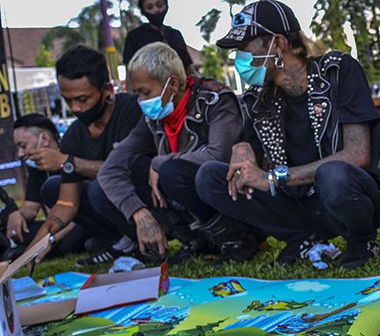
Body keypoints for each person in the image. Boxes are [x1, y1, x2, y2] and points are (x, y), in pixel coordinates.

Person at [196, 0, 380, 269]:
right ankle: (302, 237)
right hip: (298, 204)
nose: (239, 59)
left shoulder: (338, 70)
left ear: (278, 44)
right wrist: (241, 149)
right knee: (209, 176)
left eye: (244, 48)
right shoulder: (257, 98)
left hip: (346, 194)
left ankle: (361, 239)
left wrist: (274, 178)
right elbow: (248, 148)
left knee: (333, 173)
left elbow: (357, 154)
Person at [95, 42, 250, 266]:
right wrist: (139, 214)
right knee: (135, 167)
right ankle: (194, 240)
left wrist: (159, 162)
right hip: (189, 196)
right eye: (137, 93)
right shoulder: (154, 118)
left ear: (173, 83)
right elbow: (109, 170)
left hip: (233, 193)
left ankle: (237, 238)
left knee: (171, 171)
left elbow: (218, 157)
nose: (141, 101)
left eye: (145, 92)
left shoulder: (215, 100)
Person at [24, 45, 143, 266]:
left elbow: (131, 169)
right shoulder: (73, 136)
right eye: (68, 101)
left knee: (101, 188)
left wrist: (66, 162)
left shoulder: (132, 110)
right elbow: (68, 202)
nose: (75, 108)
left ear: (107, 89)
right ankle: (121, 242)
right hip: (112, 207)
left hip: (147, 198)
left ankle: (153, 239)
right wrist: (44, 235)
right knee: (52, 187)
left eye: (82, 99)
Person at [2, 114, 88, 261]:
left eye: (23, 146)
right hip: (56, 224)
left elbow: (79, 215)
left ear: (45, 139)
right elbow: (31, 208)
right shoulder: (37, 168)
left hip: (78, 223)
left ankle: (36, 250)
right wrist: (16, 215)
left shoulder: (73, 158)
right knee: (20, 227)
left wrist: (50, 240)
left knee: (76, 234)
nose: (20, 154)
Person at [123, 0, 196, 78]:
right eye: (150, 7)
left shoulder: (175, 34)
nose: (156, 10)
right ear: (143, 12)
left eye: (159, 5)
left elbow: (188, 67)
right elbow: (130, 71)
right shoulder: (134, 36)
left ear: (167, 6)